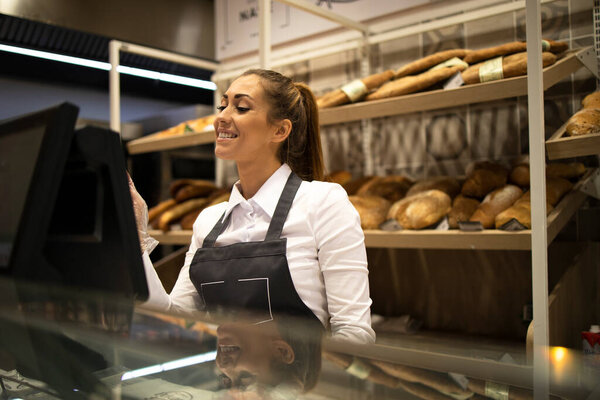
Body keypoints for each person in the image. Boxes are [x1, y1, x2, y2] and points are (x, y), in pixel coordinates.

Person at [133, 68, 375, 344]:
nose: (221, 117)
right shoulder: (208, 220)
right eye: (222, 105)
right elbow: (174, 318)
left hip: (301, 384)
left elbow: (355, 331)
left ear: (280, 130)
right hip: (228, 382)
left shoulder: (323, 203)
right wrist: (137, 235)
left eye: (241, 107)